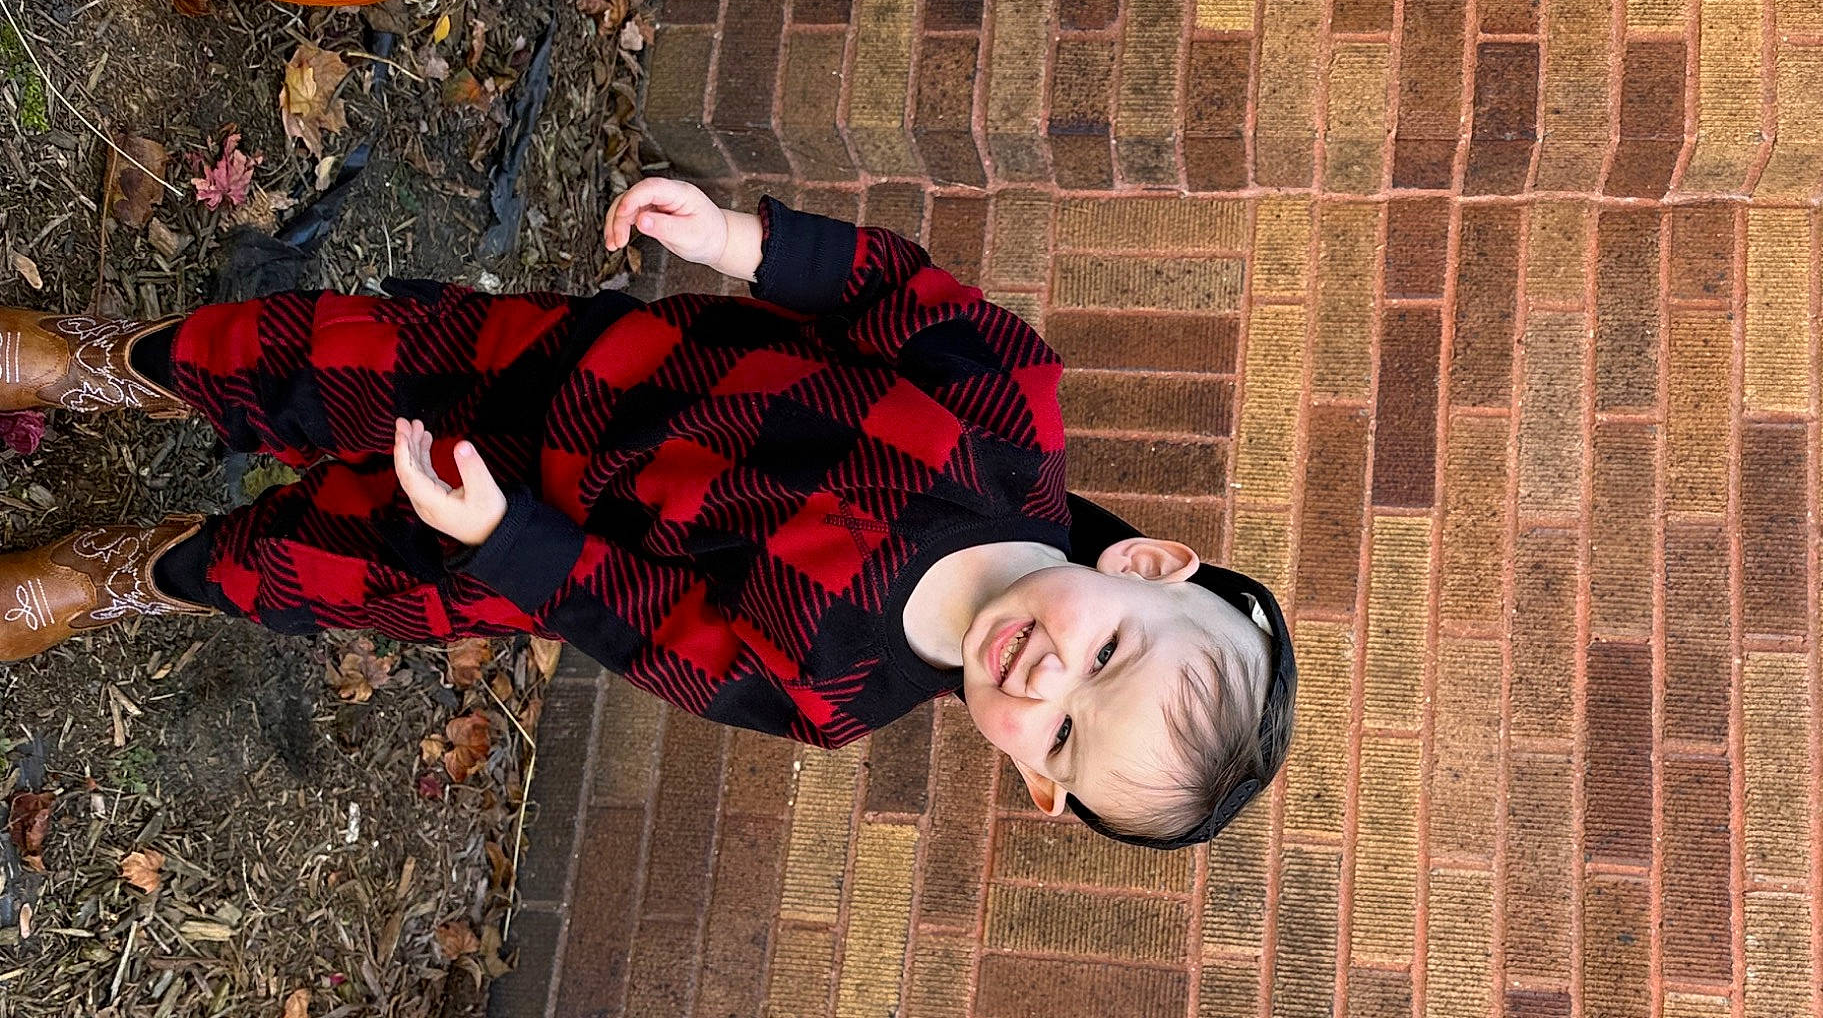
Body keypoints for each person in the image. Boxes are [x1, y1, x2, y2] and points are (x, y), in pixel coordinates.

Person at [0, 180, 1294, 848]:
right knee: (329, 354)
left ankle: (130, 566)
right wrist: (740, 241)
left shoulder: (835, 688)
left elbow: (646, 625)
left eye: (1062, 737)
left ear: (1035, 782)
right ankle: (116, 364)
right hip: (568, 371)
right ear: (1143, 562)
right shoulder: (1008, 409)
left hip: (538, 548)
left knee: (317, 562)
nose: (1050, 676)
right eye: (1110, 651)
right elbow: (894, 291)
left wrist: (503, 543)